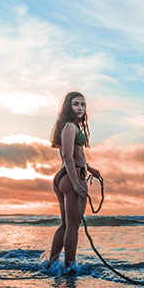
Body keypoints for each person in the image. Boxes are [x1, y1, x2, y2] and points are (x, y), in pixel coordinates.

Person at [47, 91, 101, 270]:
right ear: (69, 106)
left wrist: (89, 168)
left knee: (65, 224)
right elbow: (67, 156)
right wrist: (77, 184)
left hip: (65, 176)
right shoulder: (70, 127)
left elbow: (77, 154)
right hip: (72, 177)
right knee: (73, 227)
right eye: (76, 104)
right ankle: (70, 268)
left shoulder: (68, 126)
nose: (80, 108)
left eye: (83, 104)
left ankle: (51, 264)